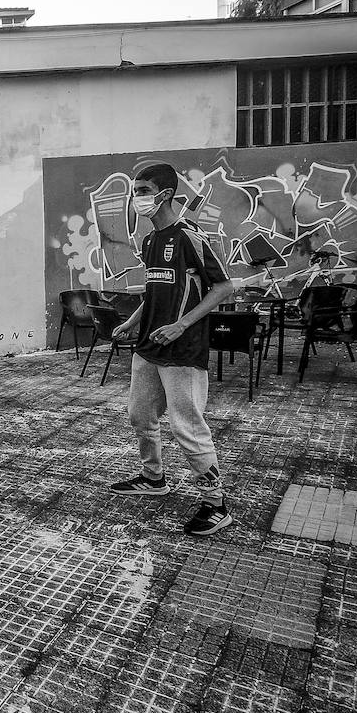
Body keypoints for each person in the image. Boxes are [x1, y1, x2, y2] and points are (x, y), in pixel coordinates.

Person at [108, 163, 237, 536]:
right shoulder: (150, 241)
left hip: (183, 349)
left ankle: (216, 504)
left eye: (144, 189)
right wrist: (134, 321)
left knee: (187, 426)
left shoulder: (188, 236)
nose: (138, 197)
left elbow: (224, 287)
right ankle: (153, 478)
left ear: (164, 194)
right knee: (139, 415)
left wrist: (182, 323)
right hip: (148, 346)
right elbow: (155, 290)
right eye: (136, 189)